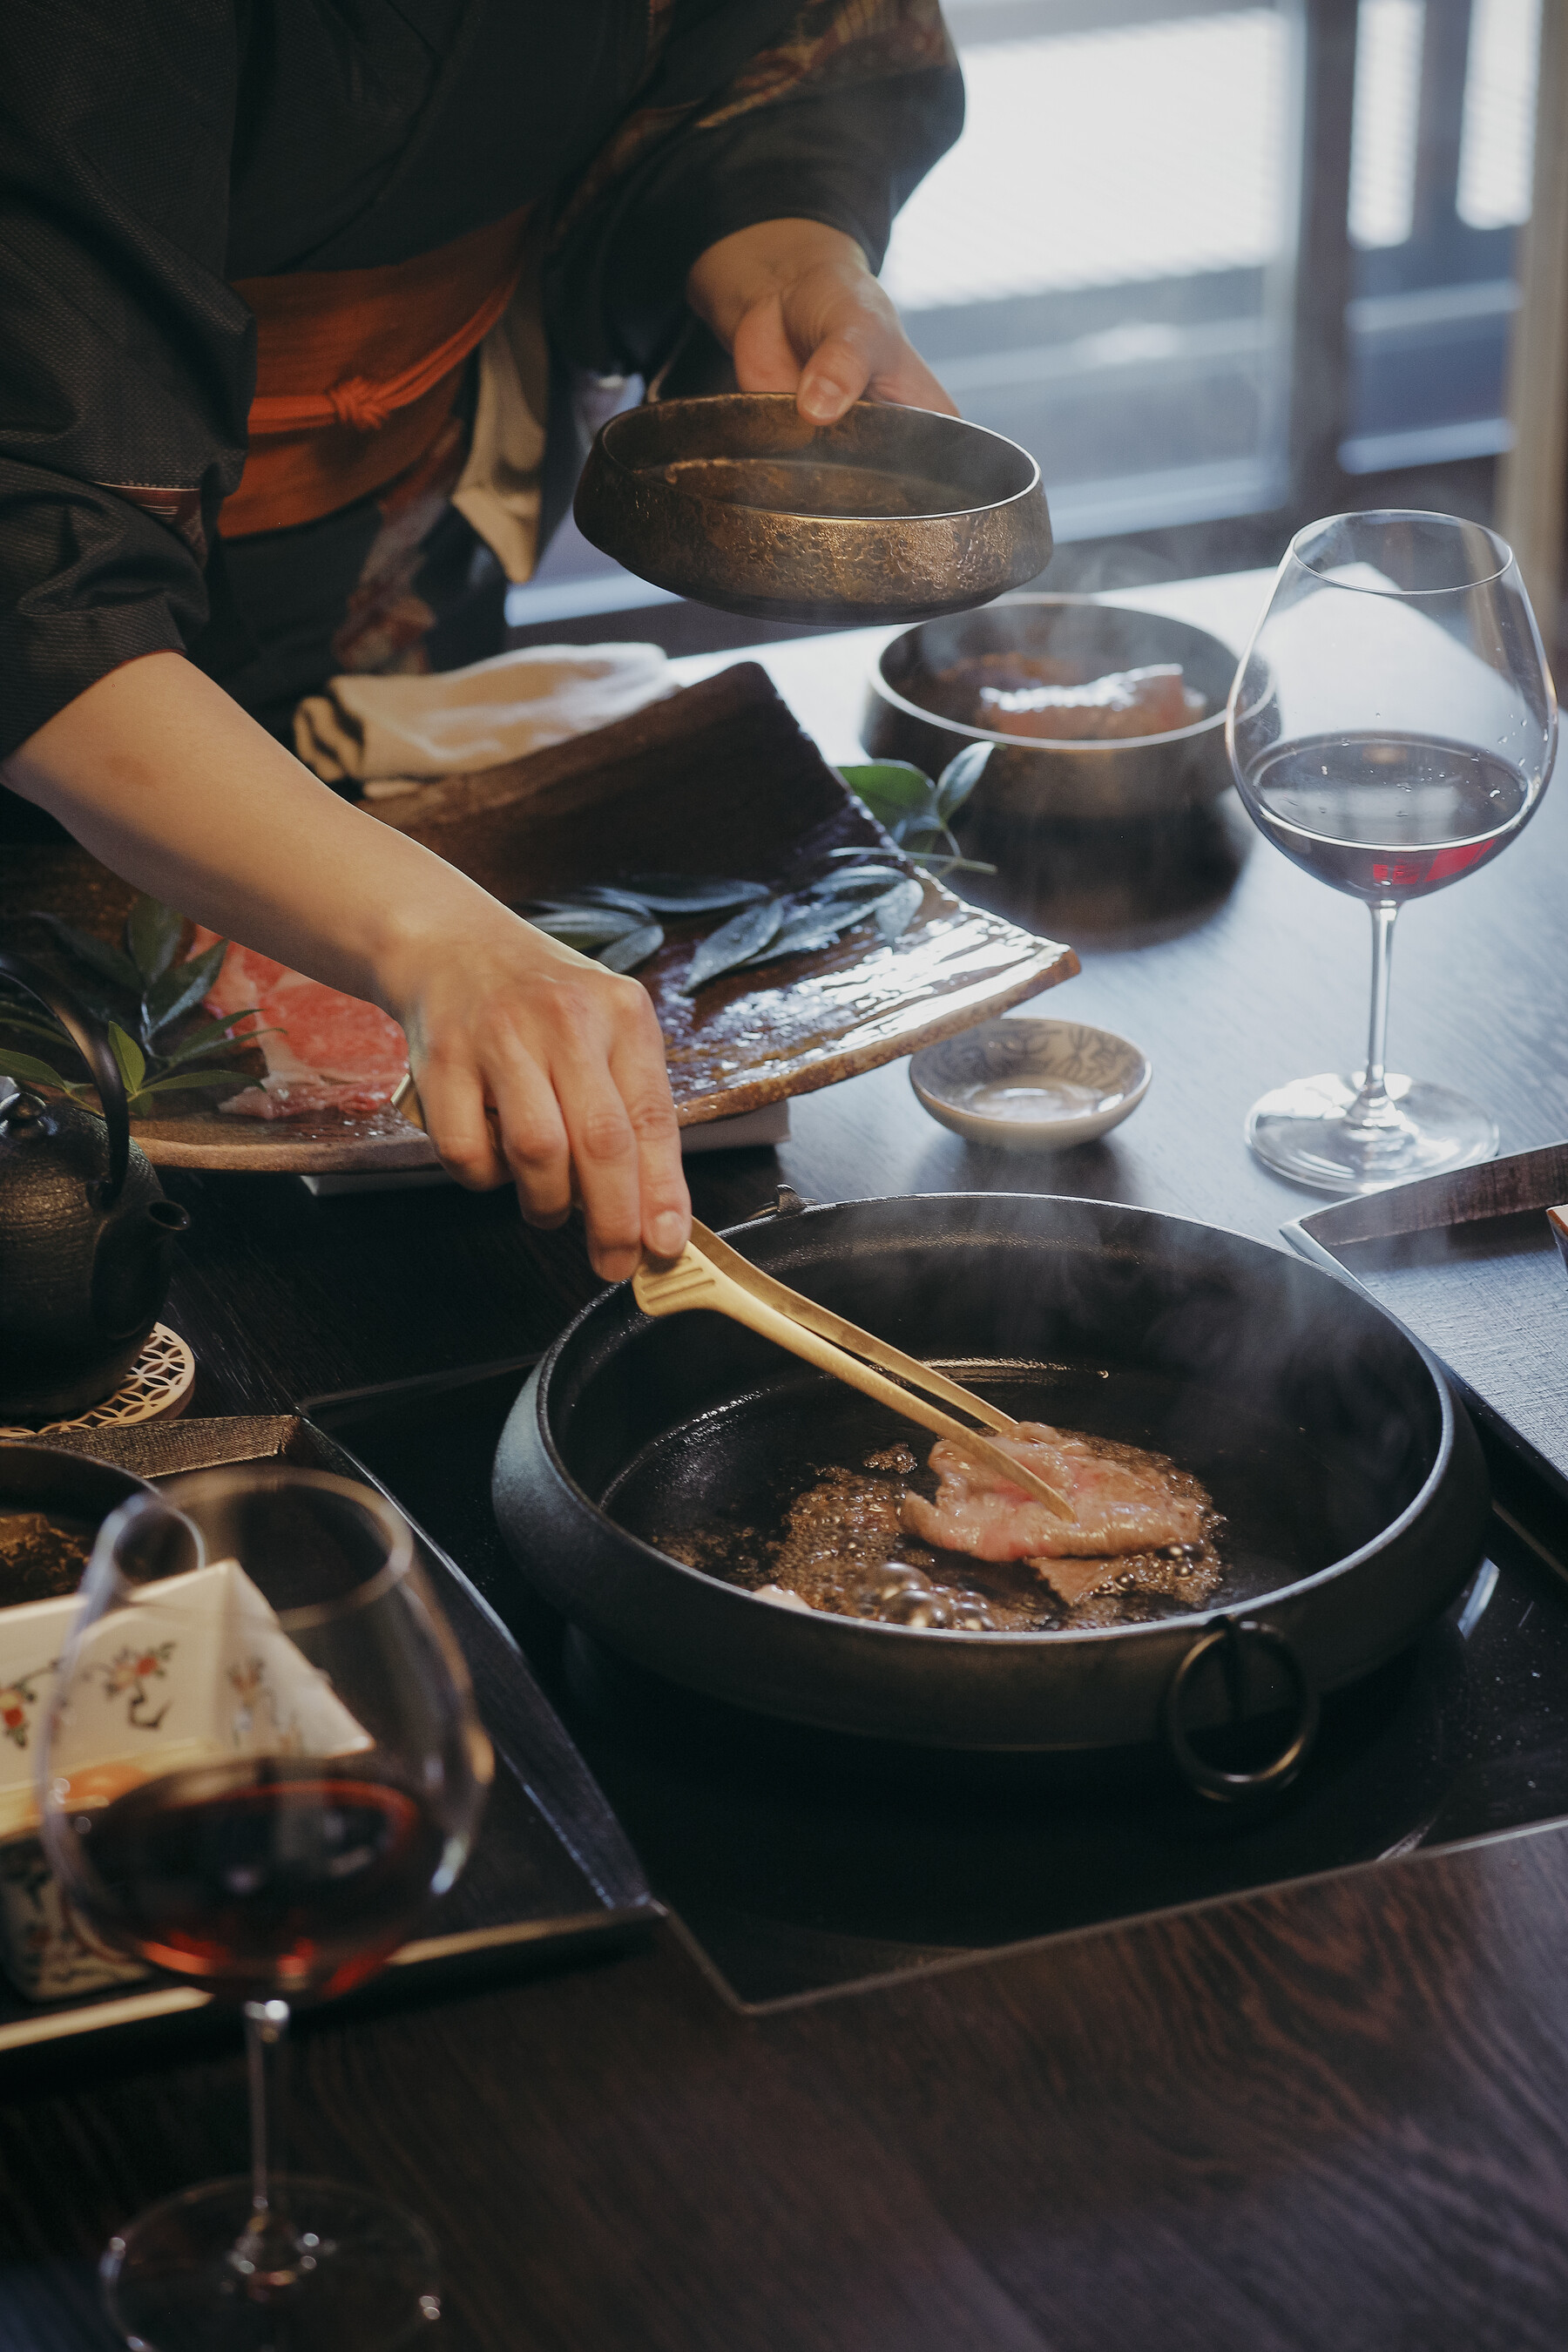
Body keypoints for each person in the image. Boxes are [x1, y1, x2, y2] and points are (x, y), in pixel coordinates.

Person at [0, 1, 962, 1280]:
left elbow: (750, 46)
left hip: (384, 550)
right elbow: (41, 583)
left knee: (390, 1237)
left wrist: (780, 251)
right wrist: (437, 936)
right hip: (50, 573)